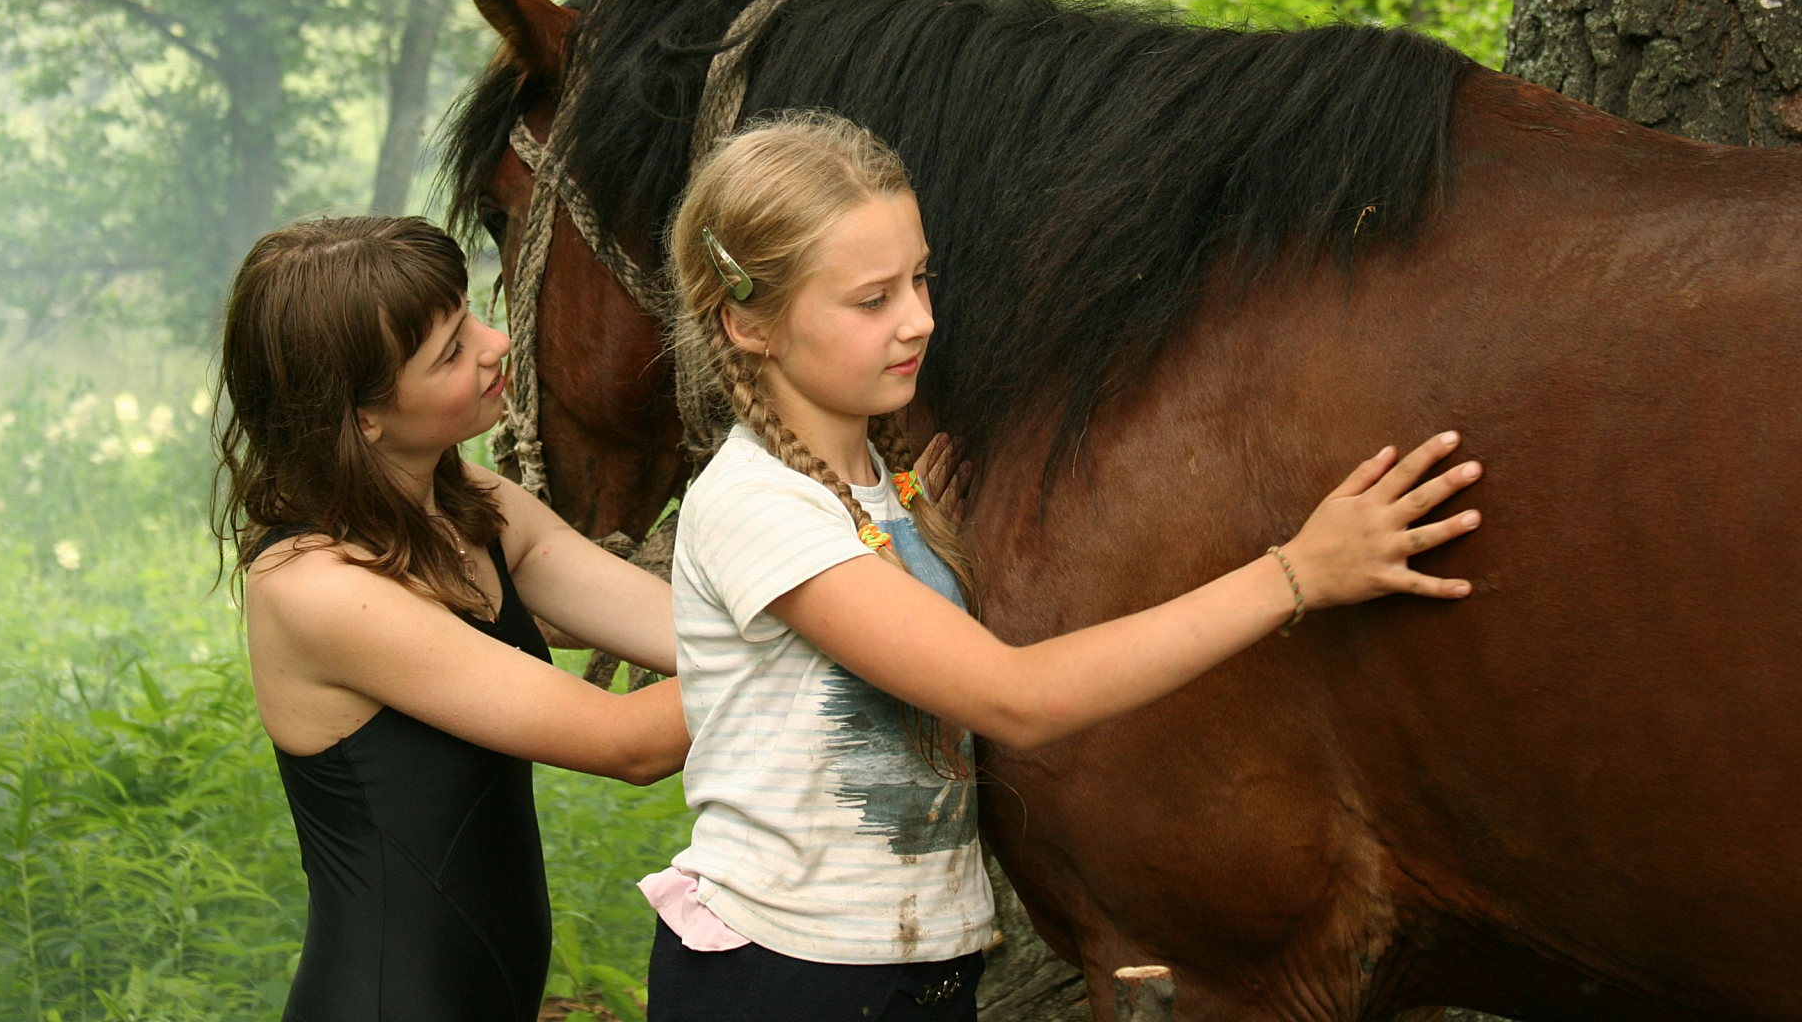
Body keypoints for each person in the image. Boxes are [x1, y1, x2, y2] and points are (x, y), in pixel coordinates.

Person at [641, 113, 1485, 1022]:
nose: (919, 320)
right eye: (871, 300)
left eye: (921, 279)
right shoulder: (757, 505)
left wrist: (923, 528)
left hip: (907, 975)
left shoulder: (882, 491)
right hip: (782, 979)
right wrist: (1296, 573)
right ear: (747, 322)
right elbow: (1017, 698)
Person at [212, 216, 688, 1022]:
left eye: (470, 316)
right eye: (450, 351)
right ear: (362, 415)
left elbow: (687, 633)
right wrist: (847, 635)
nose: (496, 341)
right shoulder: (318, 587)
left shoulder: (473, 505)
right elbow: (630, 743)